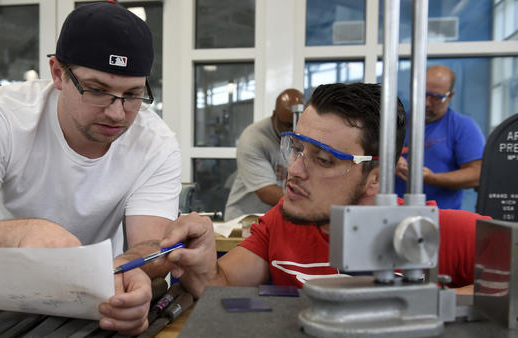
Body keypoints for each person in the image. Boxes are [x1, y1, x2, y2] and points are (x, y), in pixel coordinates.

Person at [0, 2, 181, 334]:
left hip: (99, 297)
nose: (117, 114)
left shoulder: (155, 142)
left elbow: (152, 247)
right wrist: (22, 235)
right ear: (58, 73)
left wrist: (131, 273)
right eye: (98, 90)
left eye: (132, 94)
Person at [161, 83, 490, 299]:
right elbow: (219, 288)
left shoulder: (431, 232)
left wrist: (425, 303)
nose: (295, 170)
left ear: (375, 177)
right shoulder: (283, 222)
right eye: (296, 148)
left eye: (323, 159)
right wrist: (200, 264)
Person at [395, 65, 486, 210]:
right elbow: (364, 159)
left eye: (436, 98)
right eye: (422, 94)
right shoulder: (393, 124)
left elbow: (477, 174)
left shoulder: (462, 126)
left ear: (450, 96)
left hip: (442, 219)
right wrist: (389, 163)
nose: (426, 103)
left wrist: (432, 178)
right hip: (392, 214)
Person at [224, 89, 305, 221]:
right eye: (287, 125)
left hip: (274, 218)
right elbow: (266, 192)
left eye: (296, 124)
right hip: (244, 220)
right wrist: (307, 205)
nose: (292, 131)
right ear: (274, 116)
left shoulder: (303, 136)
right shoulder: (254, 138)